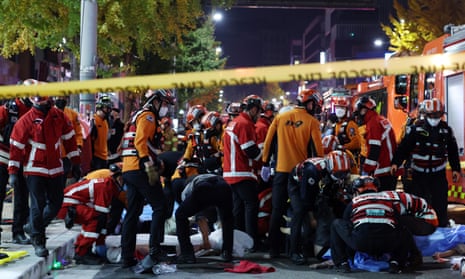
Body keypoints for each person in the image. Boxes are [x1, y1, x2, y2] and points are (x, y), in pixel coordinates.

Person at [8, 93, 81, 257]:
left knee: (56, 203)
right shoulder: (26, 121)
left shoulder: (59, 116)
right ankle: (38, 240)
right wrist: (13, 172)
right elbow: (16, 147)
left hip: (55, 167)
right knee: (37, 205)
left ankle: (34, 226)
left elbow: (70, 139)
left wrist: (75, 162)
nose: (50, 101)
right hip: (35, 168)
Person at [261, 88, 324, 258]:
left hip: (280, 171)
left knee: (276, 209)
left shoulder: (280, 118)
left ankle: (274, 249)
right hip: (300, 173)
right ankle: (296, 251)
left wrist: (265, 164)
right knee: (299, 211)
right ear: (309, 103)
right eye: (315, 105)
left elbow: (268, 143)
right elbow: (318, 151)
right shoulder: (312, 122)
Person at [330, 176, 438, 273]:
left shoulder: (355, 201)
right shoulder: (388, 200)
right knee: (404, 230)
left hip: (362, 242)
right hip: (388, 243)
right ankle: (396, 262)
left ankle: (342, 263)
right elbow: (398, 223)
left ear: (357, 190)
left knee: (336, 224)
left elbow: (347, 224)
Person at [120, 89, 174, 272]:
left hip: (129, 169)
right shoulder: (149, 116)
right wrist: (148, 164)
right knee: (161, 206)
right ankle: (155, 249)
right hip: (139, 168)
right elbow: (140, 142)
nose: (166, 108)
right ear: (156, 101)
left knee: (132, 213)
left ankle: (127, 257)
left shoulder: (138, 115)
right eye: (165, 104)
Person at [391, 98, 461, 227]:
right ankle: (419, 228)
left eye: (438, 115)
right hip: (418, 174)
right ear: (426, 115)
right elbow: (404, 148)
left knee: (440, 203)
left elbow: (452, 151)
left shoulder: (446, 130)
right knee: (418, 203)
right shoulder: (415, 130)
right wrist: (396, 162)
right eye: (432, 115)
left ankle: (441, 227)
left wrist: (456, 169)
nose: (435, 118)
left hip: (438, 175)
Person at [287, 150, 353, 265]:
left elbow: (332, 191)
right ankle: (294, 252)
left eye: (344, 173)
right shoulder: (312, 170)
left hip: (317, 184)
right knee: (300, 211)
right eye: (339, 174)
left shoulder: (334, 172)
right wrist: (312, 218)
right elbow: (306, 197)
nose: (341, 177)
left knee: (334, 205)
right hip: (298, 185)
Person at [57, 164, 123, 265]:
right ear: (117, 176)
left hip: (70, 203)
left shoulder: (111, 185)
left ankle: (82, 250)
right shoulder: (106, 185)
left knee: (95, 219)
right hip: (67, 205)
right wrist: (100, 242)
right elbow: (102, 215)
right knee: (95, 219)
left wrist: (101, 241)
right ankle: (82, 253)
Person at [223, 94, 263, 251]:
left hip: (230, 173)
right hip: (242, 172)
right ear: (253, 109)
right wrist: (264, 155)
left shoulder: (234, 122)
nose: (259, 115)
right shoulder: (244, 123)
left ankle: (238, 241)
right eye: (259, 112)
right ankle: (252, 242)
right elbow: (250, 151)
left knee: (238, 210)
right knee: (251, 207)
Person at [174, 174, 233, 263]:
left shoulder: (187, 190)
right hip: (224, 187)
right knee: (227, 219)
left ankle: (187, 254)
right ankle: (227, 252)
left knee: (179, 215)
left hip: (204, 188)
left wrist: (206, 241)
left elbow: (200, 217)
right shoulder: (203, 177)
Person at [354, 96, 397, 191]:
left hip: (383, 170)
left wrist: (367, 169)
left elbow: (374, 148)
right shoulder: (380, 119)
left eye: (359, 112)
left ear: (365, 110)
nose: (359, 116)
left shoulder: (373, 123)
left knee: (381, 201)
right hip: (390, 168)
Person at [55, 95, 83, 184]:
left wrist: (79, 146)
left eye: (63, 98)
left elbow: (78, 133)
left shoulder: (72, 114)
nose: (61, 100)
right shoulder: (49, 113)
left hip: (67, 154)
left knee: (66, 176)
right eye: (59, 97)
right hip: (54, 154)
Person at [332, 96, 361, 161]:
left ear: (346, 110)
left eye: (342, 107)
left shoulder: (350, 125)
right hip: (340, 159)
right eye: (337, 107)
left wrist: (343, 147)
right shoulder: (336, 125)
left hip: (351, 159)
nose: (339, 109)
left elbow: (357, 143)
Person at [90, 95, 112, 170]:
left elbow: (106, 139)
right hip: (96, 158)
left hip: (104, 158)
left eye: (110, 109)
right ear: (100, 107)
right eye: (107, 108)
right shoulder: (93, 120)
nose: (109, 111)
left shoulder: (106, 122)